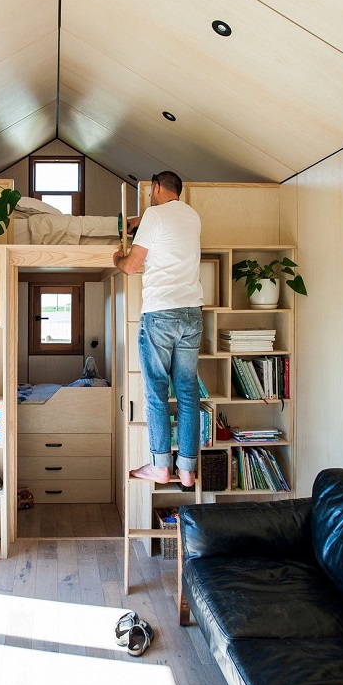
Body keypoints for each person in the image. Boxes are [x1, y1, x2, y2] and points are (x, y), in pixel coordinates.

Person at [113, 171, 203, 487]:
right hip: (191, 313)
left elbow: (131, 266)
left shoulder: (154, 215)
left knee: (156, 391)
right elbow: (168, 227)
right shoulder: (192, 216)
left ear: (155, 188)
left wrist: (117, 258)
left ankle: (161, 465)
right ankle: (187, 469)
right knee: (188, 392)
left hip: (161, 313)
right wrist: (140, 222)